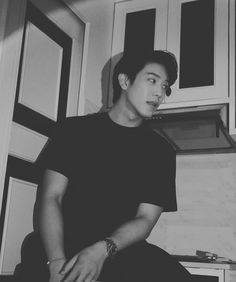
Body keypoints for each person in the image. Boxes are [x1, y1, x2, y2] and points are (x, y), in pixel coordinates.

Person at [16, 50, 194, 282]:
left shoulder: (161, 152)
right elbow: (52, 197)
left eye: (165, 86)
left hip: (119, 249)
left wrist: (101, 251)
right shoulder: (73, 131)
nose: (160, 93)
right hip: (59, 245)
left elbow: (145, 220)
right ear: (124, 81)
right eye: (152, 80)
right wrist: (57, 262)